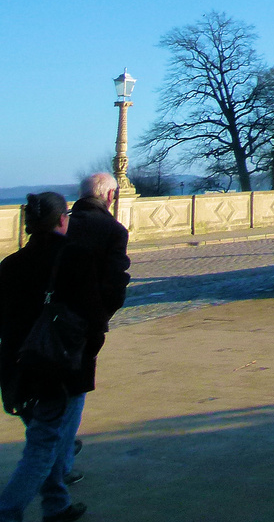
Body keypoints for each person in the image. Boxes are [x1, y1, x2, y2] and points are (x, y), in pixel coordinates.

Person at [0, 193, 105, 522]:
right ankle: (7, 510)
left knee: (48, 437)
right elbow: (95, 318)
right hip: (62, 366)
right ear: (63, 219)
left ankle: (56, 505)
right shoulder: (78, 258)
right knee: (44, 445)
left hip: (19, 367)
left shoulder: (10, 265)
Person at [60, 173, 131, 485]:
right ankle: (60, 459)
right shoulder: (113, 230)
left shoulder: (62, 224)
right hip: (86, 322)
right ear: (111, 196)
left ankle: (59, 446)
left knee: (54, 389)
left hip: (52, 320)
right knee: (75, 392)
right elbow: (116, 283)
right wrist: (102, 315)